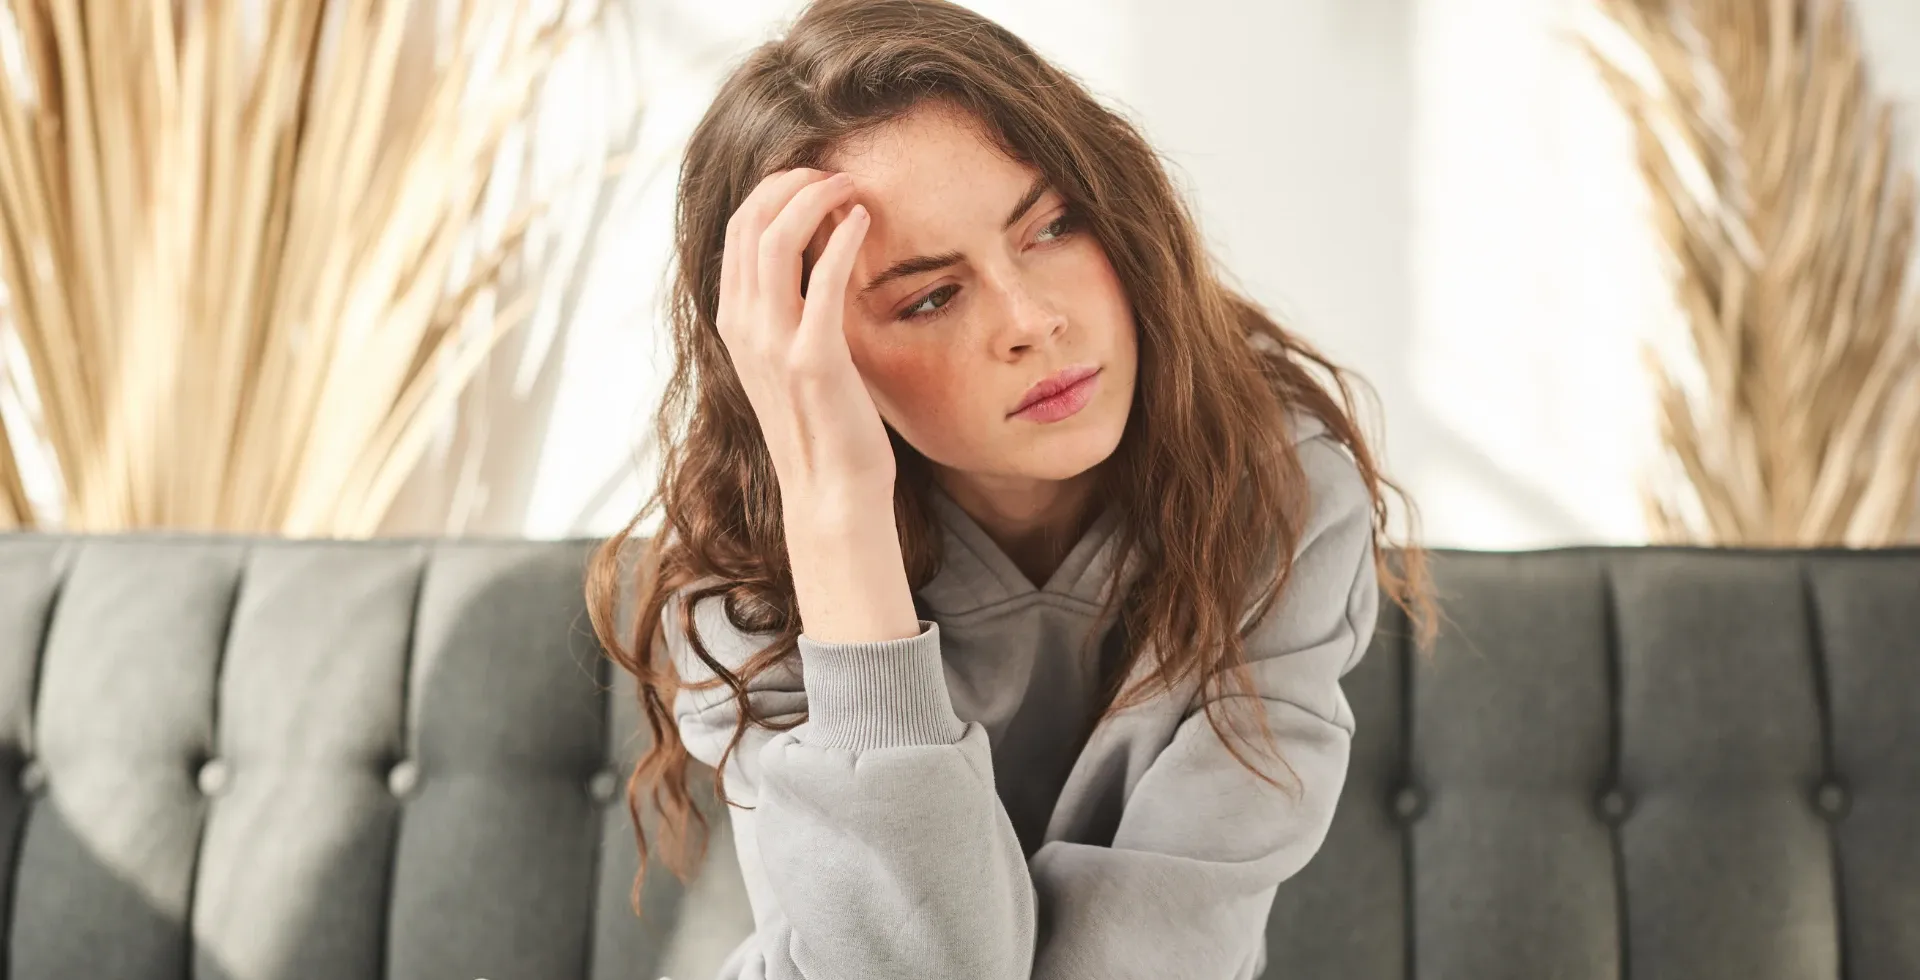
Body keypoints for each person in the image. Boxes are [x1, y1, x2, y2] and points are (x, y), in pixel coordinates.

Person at [586, 0, 1435, 977]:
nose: (1032, 320)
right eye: (930, 296)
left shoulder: (1278, 497)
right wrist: (842, 530)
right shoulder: (751, 569)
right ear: (803, 353)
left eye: (1054, 225)